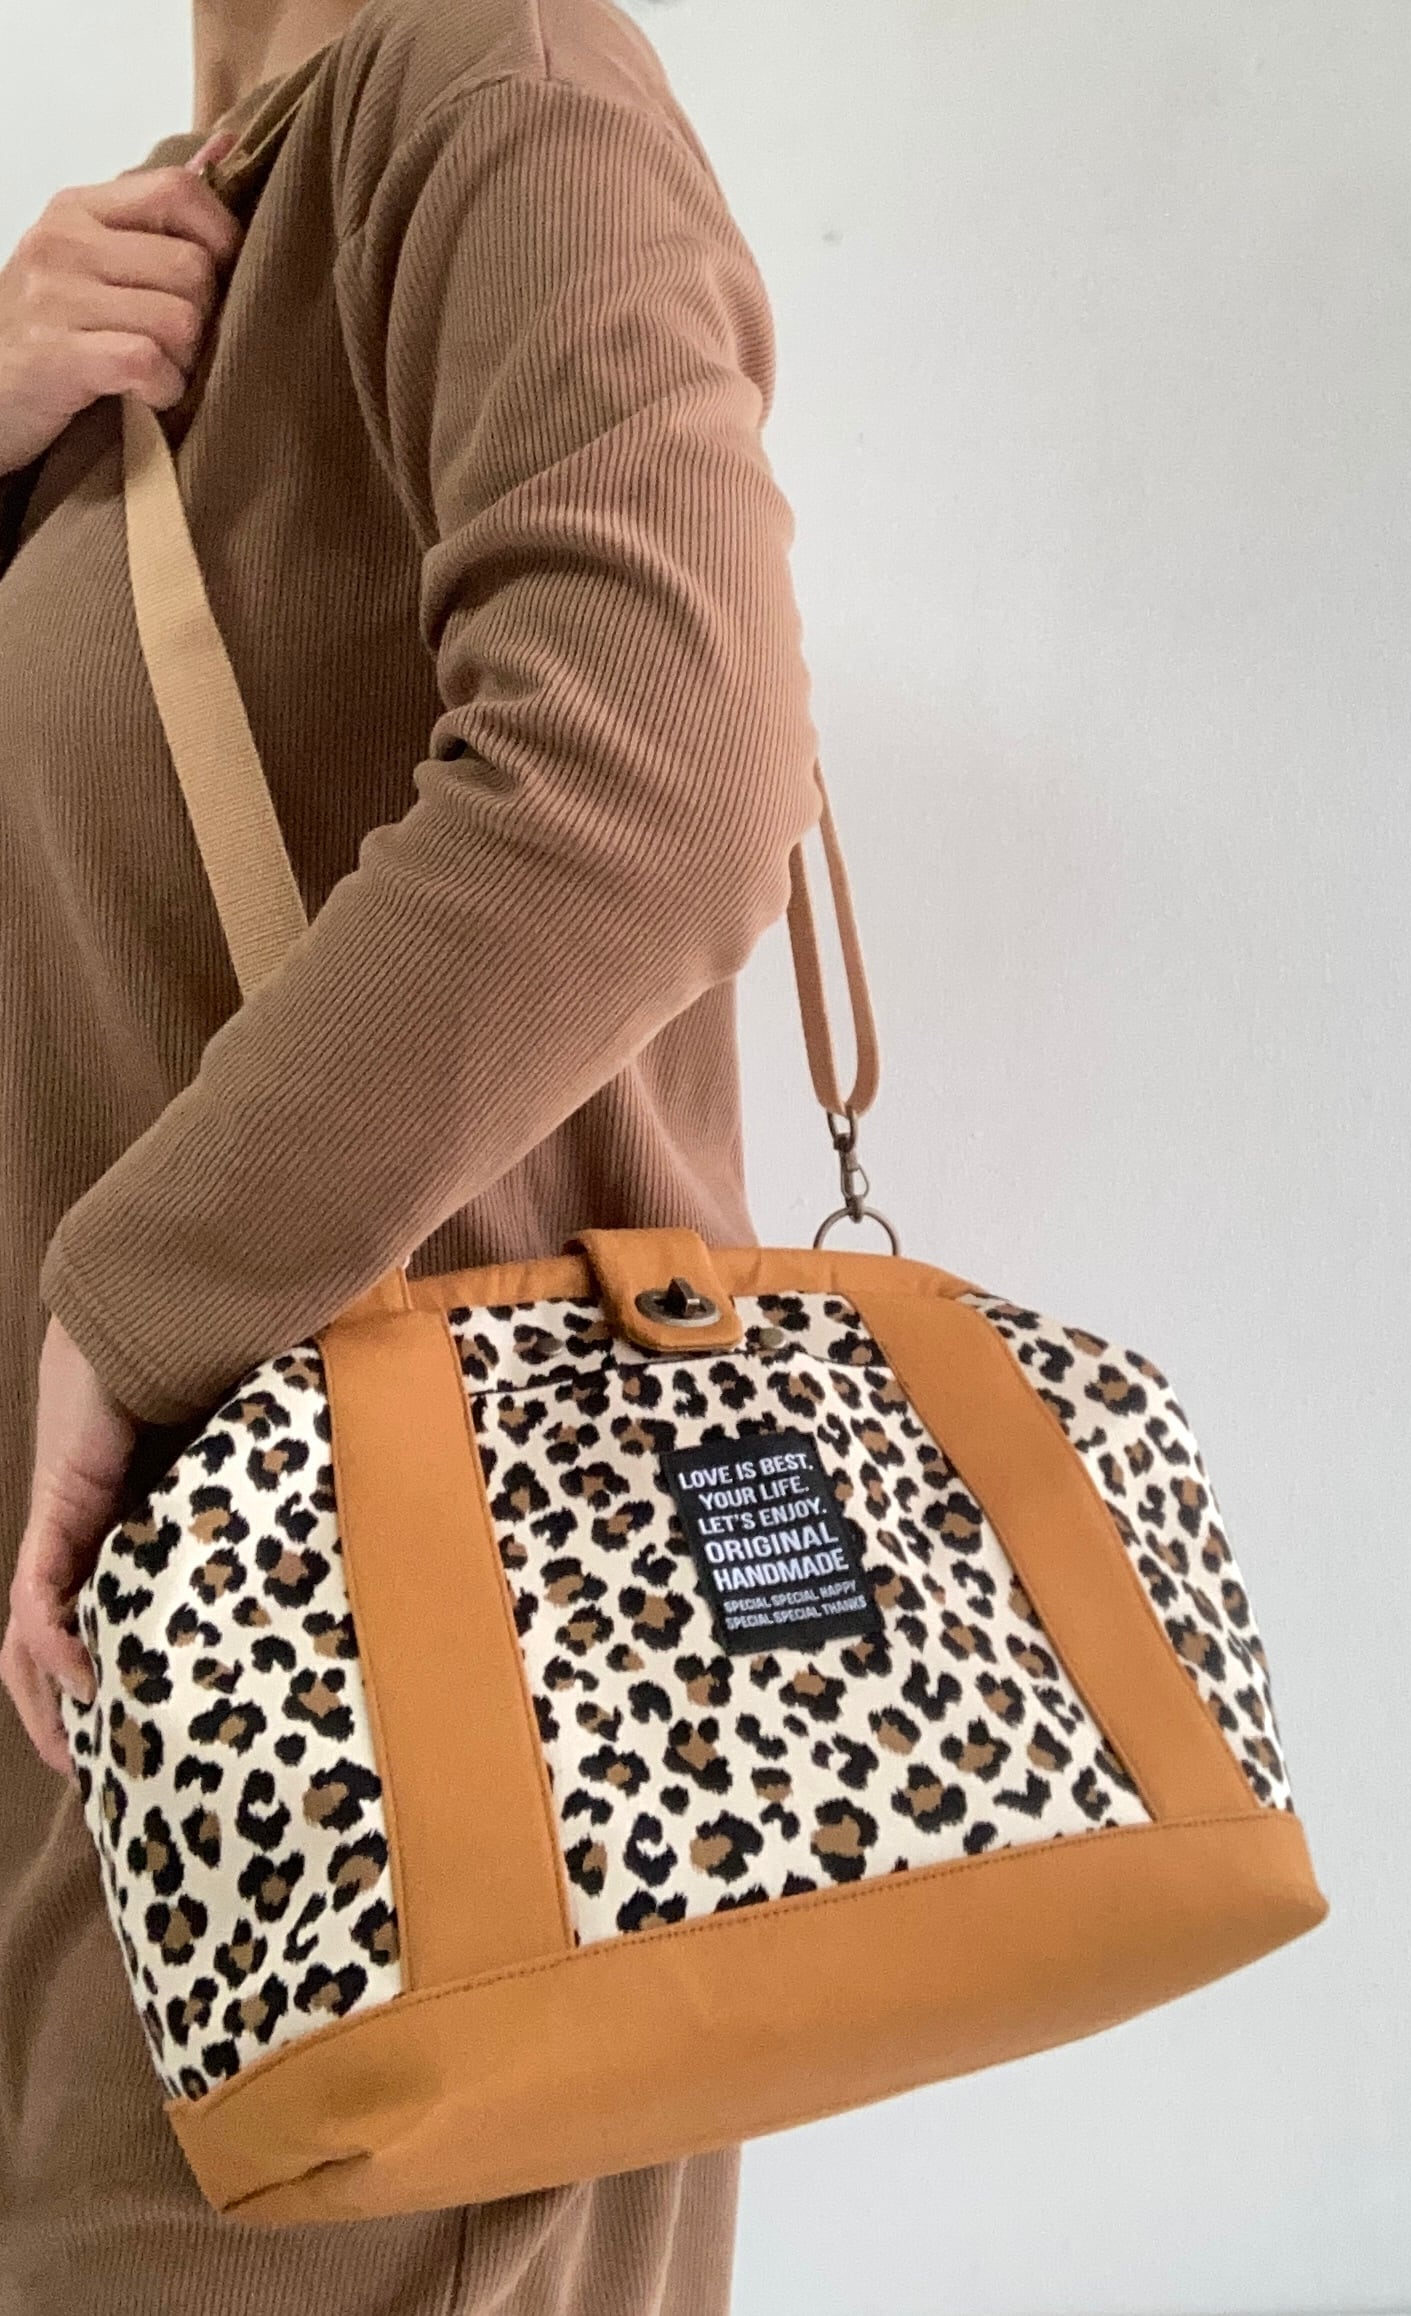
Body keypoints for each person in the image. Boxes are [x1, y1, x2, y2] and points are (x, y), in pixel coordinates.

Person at [0, 0, 820, 2305]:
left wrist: (138, 1300)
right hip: (132, 1746)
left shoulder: (491, 75)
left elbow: (660, 767)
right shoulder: (171, 244)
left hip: (396, 1784)